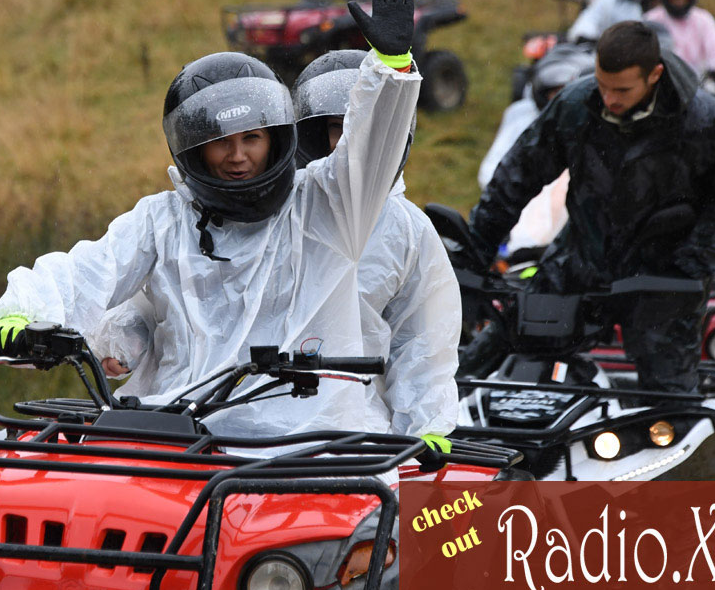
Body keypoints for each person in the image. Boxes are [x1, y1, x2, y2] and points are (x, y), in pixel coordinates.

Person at [0, 0, 447, 448]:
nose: (238, 156)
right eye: (220, 142)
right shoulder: (164, 218)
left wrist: (390, 69)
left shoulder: (326, 207)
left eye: (252, 139)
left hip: (307, 442)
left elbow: (368, 155)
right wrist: (25, 313)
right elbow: (92, 269)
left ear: (278, 138)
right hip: (179, 431)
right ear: (193, 149)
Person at [92, 49, 462, 440]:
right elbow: (170, 297)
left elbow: (422, 341)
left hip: (333, 425)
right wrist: (123, 336)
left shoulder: (405, 230)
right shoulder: (268, 214)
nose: (343, 146)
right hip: (202, 415)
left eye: (357, 131)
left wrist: (426, 426)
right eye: (335, 129)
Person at [466, 20, 715, 393]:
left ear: (654, 75)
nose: (609, 99)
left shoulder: (709, 122)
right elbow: (516, 178)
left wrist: (694, 262)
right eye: (602, 85)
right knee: (504, 343)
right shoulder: (576, 105)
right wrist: (478, 249)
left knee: (669, 396)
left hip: (665, 278)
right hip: (579, 262)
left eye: (622, 89)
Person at [477, 45, 594, 256]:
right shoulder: (522, 115)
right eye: (554, 93)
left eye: (566, 92)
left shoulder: (592, 125)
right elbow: (492, 170)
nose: (561, 101)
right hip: (529, 194)